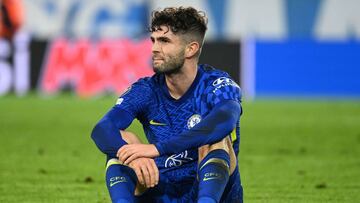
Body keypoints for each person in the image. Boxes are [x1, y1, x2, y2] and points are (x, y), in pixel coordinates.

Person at [91, 6, 243, 203]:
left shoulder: (217, 85)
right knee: (124, 143)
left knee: (216, 141)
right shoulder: (145, 90)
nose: (154, 48)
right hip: (161, 191)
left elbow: (224, 120)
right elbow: (103, 128)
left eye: (164, 41)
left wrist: (158, 148)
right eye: (153, 40)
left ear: (191, 48)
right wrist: (134, 156)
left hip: (210, 191)